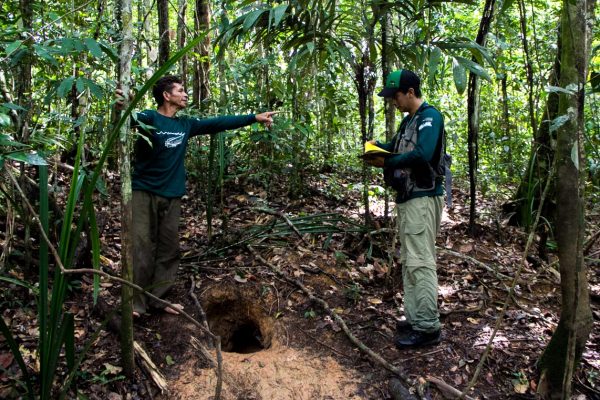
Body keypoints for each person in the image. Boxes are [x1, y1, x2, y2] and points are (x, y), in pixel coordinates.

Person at [116, 75, 276, 316]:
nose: (185, 94)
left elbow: (218, 123)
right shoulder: (149, 118)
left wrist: (253, 117)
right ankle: (135, 303)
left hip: (172, 194)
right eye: (180, 90)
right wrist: (123, 105)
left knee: (169, 249)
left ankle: (158, 299)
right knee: (141, 247)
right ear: (166, 95)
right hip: (143, 192)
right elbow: (127, 121)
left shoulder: (185, 124)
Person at [366, 69, 444, 348]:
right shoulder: (408, 121)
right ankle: (415, 317)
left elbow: (423, 153)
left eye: (396, 96)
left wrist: (387, 162)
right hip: (409, 199)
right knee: (411, 260)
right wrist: (377, 149)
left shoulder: (430, 117)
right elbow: (397, 148)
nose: (393, 102)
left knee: (421, 261)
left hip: (423, 197)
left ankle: (427, 327)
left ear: (410, 92)